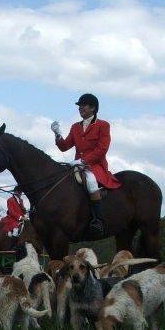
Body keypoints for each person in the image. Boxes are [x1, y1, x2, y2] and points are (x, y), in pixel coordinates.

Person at [51, 93, 121, 234]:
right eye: (79, 106)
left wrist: (84, 161)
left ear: (93, 108)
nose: (80, 108)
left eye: (83, 105)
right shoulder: (75, 127)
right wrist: (57, 134)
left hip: (94, 165)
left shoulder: (103, 125)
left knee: (91, 182)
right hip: (76, 164)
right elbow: (65, 146)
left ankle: (98, 221)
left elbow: (102, 148)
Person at [1, 185, 28, 249]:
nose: (21, 194)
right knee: (16, 230)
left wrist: (25, 214)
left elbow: (22, 210)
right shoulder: (10, 200)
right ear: (16, 192)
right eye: (20, 192)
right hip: (12, 219)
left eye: (21, 192)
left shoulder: (21, 200)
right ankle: (13, 246)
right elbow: (11, 212)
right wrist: (20, 217)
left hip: (21, 218)